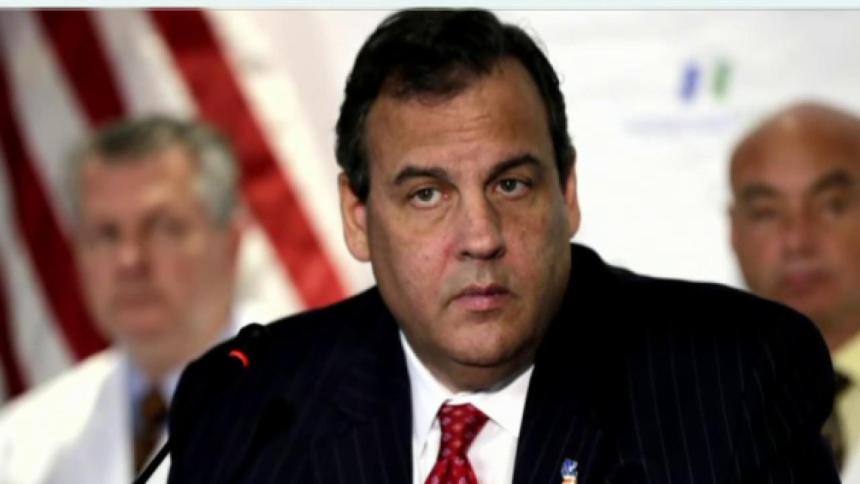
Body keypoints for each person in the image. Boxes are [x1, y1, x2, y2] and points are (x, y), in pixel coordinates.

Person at [166, 9, 839, 483]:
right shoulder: (250, 404)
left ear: (567, 191)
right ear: (357, 216)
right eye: (427, 195)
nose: (481, 238)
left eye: (511, 185)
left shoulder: (732, 379)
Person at [0, 115, 245, 484]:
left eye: (163, 227)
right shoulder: (23, 442)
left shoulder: (320, 410)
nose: (129, 261)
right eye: (106, 234)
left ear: (231, 243)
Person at [729, 101, 860, 480]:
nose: (797, 240)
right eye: (766, 212)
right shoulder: (677, 401)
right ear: (734, 231)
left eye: (831, 206)